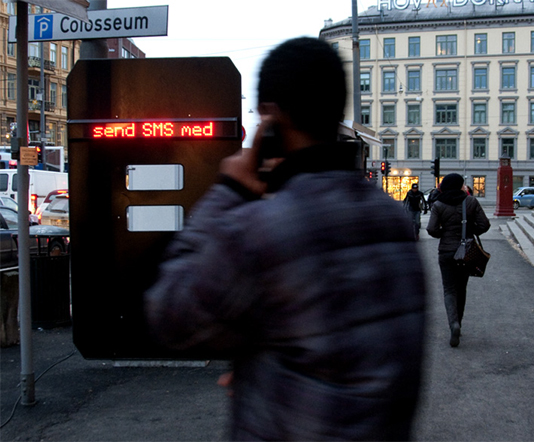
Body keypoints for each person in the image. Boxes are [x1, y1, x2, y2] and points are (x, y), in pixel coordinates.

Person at [145, 37, 426, 441]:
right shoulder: (391, 219)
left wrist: (230, 188)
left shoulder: (262, 230)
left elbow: (171, 315)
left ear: (271, 119)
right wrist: (262, 363)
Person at [426, 173, 490, 348]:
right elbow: (485, 224)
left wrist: (443, 234)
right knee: (461, 288)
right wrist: (470, 231)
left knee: (449, 289)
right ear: (460, 186)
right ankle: (459, 324)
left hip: (446, 251)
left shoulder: (438, 204)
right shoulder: (470, 202)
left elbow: (431, 229)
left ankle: (452, 323)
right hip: (466, 251)